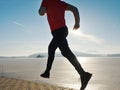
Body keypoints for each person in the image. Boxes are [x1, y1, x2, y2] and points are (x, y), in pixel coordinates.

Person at [38, 0, 92, 89]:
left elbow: (41, 13)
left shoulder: (46, 1)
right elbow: (75, 9)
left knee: (65, 52)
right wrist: (77, 22)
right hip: (62, 31)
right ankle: (47, 72)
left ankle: (83, 74)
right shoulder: (61, 3)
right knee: (51, 48)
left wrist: (42, 9)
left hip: (59, 31)